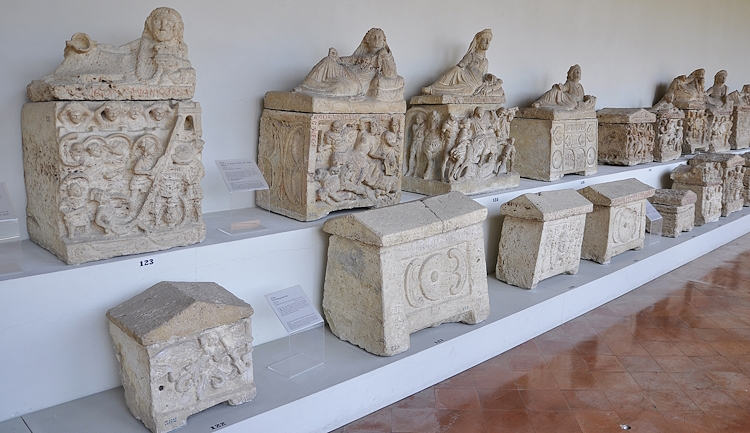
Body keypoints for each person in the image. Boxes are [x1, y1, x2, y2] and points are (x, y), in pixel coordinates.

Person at [294, 28, 404, 101]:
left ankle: (314, 90)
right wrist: (336, 58)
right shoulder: (363, 55)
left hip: (356, 82)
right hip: (346, 71)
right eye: (373, 37)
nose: (376, 40)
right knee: (327, 61)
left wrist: (385, 56)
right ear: (367, 41)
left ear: (384, 41)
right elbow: (350, 60)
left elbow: (391, 74)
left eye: (380, 37)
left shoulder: (385, 56)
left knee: (339, 86)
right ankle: (304, 86)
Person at [422, 29, 501, 97]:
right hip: (464, 77)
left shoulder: (486, 61)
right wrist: (462, 64)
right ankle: (433, 87)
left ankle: (436, 91)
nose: (487, 42)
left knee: (466, 90)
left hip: (474, 84)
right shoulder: (471, 56)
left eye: (489, 40)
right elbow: (460, 65)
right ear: (478, 42)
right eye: (484, 40)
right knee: (456, 69)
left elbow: (483, 75)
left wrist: (490, 76)